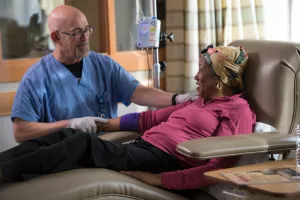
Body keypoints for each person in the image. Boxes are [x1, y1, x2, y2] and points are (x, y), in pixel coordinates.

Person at [0, 45, 256, 190]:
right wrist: (97, 124)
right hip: (143, 148)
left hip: (167, 161)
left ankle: (7, 173)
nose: (195, 77)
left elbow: (219, 168)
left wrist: (158, 180)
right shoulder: (198, 101)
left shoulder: (238, 110)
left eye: (201, 72)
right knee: (71, 135)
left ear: (222, 79)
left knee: (82, 146)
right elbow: (146, 121)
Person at [11, 5, 197, 143]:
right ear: (55, 37)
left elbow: (138, 92)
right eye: (76, 33)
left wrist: (177, 99)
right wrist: (68, 125)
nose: (85, 38)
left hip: (105, 149)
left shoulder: (103, 65)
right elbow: (21, 131)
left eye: (87, 30)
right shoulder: (36, 78)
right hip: (63, 156)